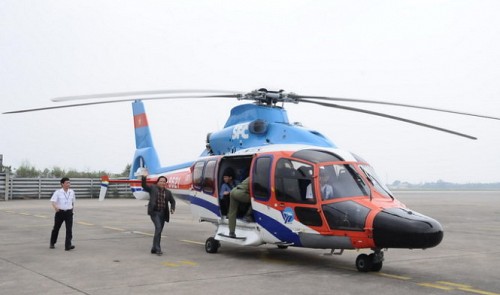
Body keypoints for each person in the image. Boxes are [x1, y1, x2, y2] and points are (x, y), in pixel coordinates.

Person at [142, 175, 176, 256]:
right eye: (161, 181)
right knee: (158, 228)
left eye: (164, 182)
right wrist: (144, 177)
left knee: (159, 231)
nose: (162, 183)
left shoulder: (168, 192)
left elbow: (173, 201)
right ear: (158, 182)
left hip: (163, 213)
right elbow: (144, 186)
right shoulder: (153, 188)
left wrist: (172, 208)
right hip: (154, 212)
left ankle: (154, 248)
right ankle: (158, 248)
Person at [50, 177, 76, 251]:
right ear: (62, 184)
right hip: (60, 212)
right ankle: (52, 242)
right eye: (67, 183)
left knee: (69, 229)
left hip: (69, 213)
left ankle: (68, 245)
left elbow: (73, 202)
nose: (69, 184)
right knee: (56, 228)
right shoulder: (58, 192)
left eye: (69, 182)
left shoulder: (72, 192)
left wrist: (72, 210)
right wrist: (55, 208)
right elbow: (53, 201)